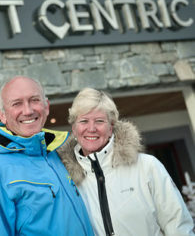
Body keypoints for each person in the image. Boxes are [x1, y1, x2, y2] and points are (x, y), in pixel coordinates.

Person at [57, 87, 194, 236]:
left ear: (111, 127)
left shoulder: (147, 166)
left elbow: (177, 224)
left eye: (99, 121)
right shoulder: (66, 179)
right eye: (83, 121)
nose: (91, 128)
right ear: (74, 129)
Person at [0, 76, 94, 236]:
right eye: (17, 103)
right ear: (2, 114)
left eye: (34, 100)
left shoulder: (57, 155)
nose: (28, 111)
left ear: (46, 106)